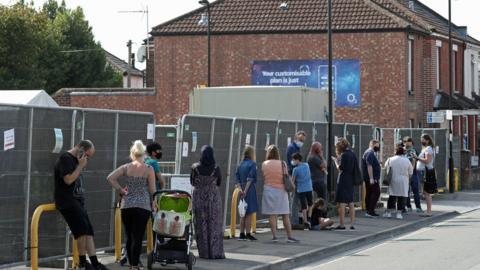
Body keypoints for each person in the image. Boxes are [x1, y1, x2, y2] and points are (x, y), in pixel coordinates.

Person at [54, 140, 109, 270]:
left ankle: (95, 263)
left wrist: (80, 165)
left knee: (88, 230)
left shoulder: (78, 160)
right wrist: (80, 166)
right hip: (67, 201)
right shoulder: (65, 158)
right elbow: (68, 180)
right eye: (87, 155)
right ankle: (82, 263)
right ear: (80, 148)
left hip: (77, 200)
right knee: (81, 231)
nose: (87, 158)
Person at [107, 140, 156, 269]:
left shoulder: (126, 167)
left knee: (129, 237)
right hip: (143, 206)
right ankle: (135, 265)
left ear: (133, 154)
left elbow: (110, 177)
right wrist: (155, 202)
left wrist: (120, 190)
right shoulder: (149, 169)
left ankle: (130, 264)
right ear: (144, 153)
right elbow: (152, 189)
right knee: (138, 236)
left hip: (127, 205)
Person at [190, 145, 225, 259]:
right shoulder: (216, 168)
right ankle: (215, 252)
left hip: (199, 198)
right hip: (213, 198)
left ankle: (204, 253)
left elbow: (192, 182)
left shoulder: (195, 167)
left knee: (201, 224)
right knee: (214, 224)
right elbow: (219, 182)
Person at [261, 145, 299, 243]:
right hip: (281, 191)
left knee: (272, 214)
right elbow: (286, 176)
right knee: (285, 214)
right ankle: (289, 237)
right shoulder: (282, 164)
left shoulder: (264, 164)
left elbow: (264, 176)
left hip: (269, 189)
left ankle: (274, 236)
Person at [332, 138, 356, 230]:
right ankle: (352, 224)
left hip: (343, 179)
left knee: (342, 202)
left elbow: (340, 168)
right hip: (350, 179)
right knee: (350, 201)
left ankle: (342, 224)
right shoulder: (352, 154)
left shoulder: (344, 155)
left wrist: (335, 161)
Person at [383, 144, 413, 220]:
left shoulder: (390, 159)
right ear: (403, 152)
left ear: (395, 151)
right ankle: (399, 213)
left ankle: (388, 213)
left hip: (393, 179)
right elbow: (410, 172)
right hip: (404, 180)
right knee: (401, 197)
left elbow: (386, 167)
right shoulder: (407, 160)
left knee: (392, 196)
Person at [235, 145, 258, 241]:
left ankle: (241, 233)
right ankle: (248, 233)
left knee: (242, 213)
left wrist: (241, 190)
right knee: (249, 213)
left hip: (241, 190)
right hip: (249, 190)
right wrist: (245, 191)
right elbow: (250, 178)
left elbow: (237, 179)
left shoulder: (240, 164)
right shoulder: (252, 164)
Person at [286, 131, 307, 227]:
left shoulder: (297, 148)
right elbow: (292, 163)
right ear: (296, 137)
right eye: (300, 139)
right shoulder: (292, 148)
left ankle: (295, 220)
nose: (301, 142)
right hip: (293, 175)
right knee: (294, 200)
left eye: (303, 140)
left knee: (296, 199)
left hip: (296, 175)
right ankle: (294, 222)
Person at [412, 134, 436, 217]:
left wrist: (416, 157)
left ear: (427, 140)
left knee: (427, 192)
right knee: (425, 192)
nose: (421, 141)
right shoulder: (425, 149)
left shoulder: (428, 149)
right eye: (421, 139)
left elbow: (427, 161)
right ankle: (428, 211)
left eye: (423, 139)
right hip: (423, 172)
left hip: (426, 172)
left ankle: (429, 212)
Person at [291, 153, 314, 229]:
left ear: (297, 160)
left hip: (301, 189)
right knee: (310, 204)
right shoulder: (306, 165)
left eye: (294, 160)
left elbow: (293, 181)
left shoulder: (295, 169)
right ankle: (309, 218)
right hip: (309, 187)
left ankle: (305, 221)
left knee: (303, 206)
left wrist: (293, 189)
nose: (293, 161)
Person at [403, 136, 423, 213]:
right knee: (406, 191)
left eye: (409, 141)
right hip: (405, 174)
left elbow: (415, 160)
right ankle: (408, 206)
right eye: (405, 141)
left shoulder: (413, 150)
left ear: (411, 142)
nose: (407, 143)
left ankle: (418, 207)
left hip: (413, 174)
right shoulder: (402, 150)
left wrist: (411, 172)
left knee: (415, 191)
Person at [362, 140, 381, 217]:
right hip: (371, 178)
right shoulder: (370, 153)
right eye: (377, 145)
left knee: (370, 193)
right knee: (376, 193)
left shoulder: (369, 152)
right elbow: (369, 166)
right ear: (373, 145)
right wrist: (371, 178)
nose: (378, 147)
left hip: (370, 177)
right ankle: (370, 210)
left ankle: (369, 210)